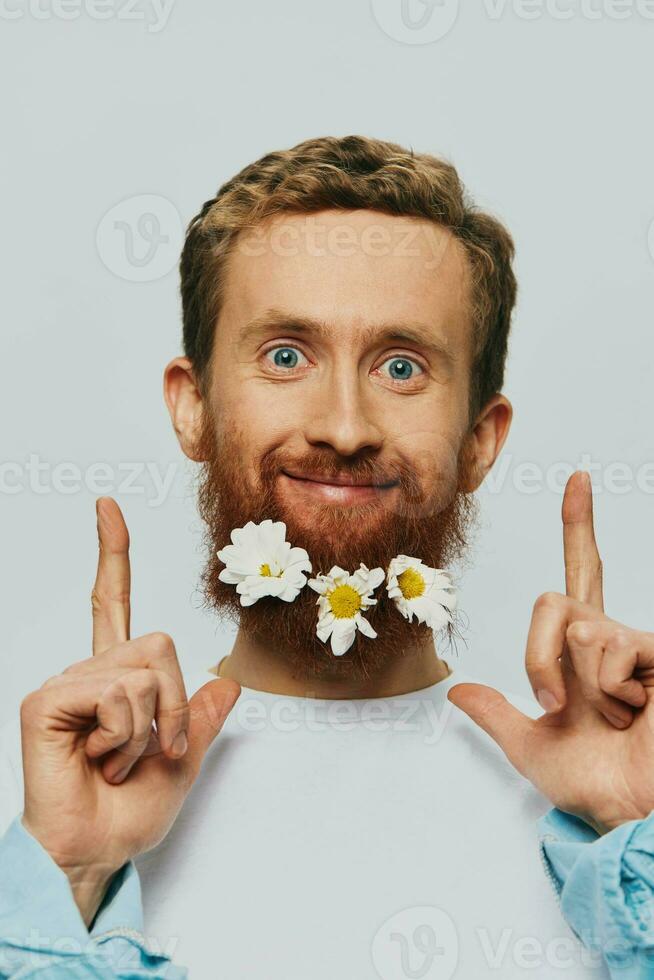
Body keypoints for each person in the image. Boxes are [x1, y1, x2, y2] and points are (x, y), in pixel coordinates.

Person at [1, 135, 653, 978]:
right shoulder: (56, 820)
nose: (344, 426)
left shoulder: (611, 820)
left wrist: (639, 832)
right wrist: (65, 880)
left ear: (480, 441)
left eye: (401, 365)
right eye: (285, 356)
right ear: (193, 409)